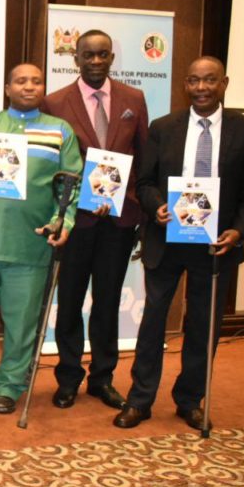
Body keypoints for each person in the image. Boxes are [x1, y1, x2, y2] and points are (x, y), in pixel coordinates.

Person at [113, 57, 244, 430]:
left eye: (210, 80)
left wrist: (239, 230)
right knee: (152, 323)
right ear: (185, 84)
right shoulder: (164, 127)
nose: (201, 88)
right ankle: (140, 399)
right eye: (194, 80)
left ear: (224, 83)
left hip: (215, 245)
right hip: (167, 239)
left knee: (203, 325)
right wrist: (156, 207)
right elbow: (144, 183)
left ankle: (189, 400)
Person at [0, 64, 83, 414]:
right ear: (8, 87)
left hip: (31, 245)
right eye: (21, 81)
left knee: (22, 324)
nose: (29, 86)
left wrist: (62, 221)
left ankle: (8, 385)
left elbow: (72, 185)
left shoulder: (60, 132)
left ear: (43, 87)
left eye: (36, 81)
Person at [41, 29, 149, 411]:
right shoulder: (54, 103)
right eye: (89, 55)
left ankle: (102, 379)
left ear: (112, 58)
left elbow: (142, 157)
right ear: (76, 59)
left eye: (103, 55)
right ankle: (68, 378)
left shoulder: (133, 99)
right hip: (75, 221)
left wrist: (131, 203)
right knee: (69, 302)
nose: (97, 62)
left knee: (107, 303)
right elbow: (49, 166)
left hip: (118, 222)